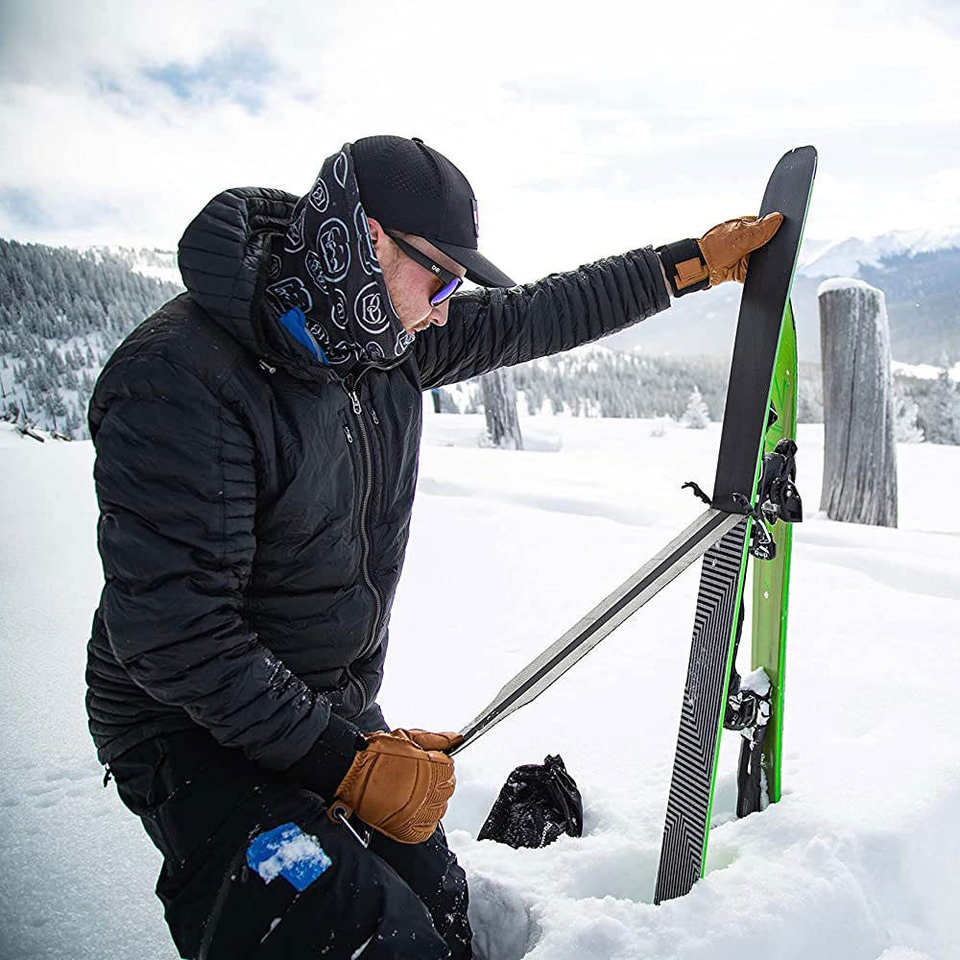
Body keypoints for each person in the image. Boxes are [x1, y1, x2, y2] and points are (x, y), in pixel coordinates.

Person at [86, 135, 782, 959]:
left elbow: (534, 314)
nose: (447, 308)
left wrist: (687, 265)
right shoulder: (180, 379)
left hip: (321, 705)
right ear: (367, 239)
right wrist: (348, 764)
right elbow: (177, 637)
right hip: (190, 734)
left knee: (442, 909)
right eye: (441, 279)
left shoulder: (381, 340)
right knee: (368, 936)